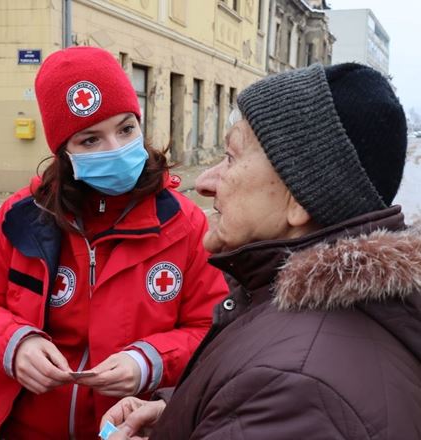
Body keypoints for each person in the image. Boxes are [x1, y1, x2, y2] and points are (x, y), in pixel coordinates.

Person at [100, 62, 421, 440]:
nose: (204, 182)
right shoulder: (302, 326)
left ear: (301, 198)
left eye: (232, 157)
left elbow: (284, 392)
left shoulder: (294, 388)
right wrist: (186, 413)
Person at [0, 46, 228, 439]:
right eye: (90, 140)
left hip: (127, 430)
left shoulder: (186, 225)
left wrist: (149, 361)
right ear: (63, 152)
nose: (115, 149)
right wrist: (14, 344)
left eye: (126, 129)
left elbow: (213, 330)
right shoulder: (22, 218)